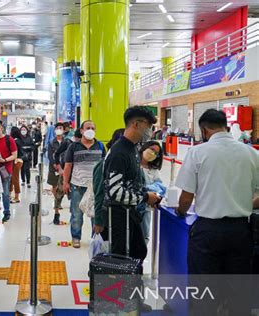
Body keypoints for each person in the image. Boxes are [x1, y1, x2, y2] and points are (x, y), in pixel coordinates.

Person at [176, 109, 259, 274]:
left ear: (204, 131)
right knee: (235, 287)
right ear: (226, 127)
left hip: (208, 231)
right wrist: (242, 204)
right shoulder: (252, 153)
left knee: (204, 287)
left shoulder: (197, 153)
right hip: (241, 231)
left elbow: (186, 198)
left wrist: (180, 211)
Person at [99, 106, 160, 261]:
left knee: (138, 251)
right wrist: (145, 197)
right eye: (148, 125)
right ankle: (124, 286)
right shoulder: (119, 152)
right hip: (119, 217)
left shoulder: (132, 149)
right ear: (135, 124)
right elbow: (115, 192)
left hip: (130, 213)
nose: (150, 130)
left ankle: (132, 284)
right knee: (122, 259)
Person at [63, 120, 106, 248]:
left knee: (96, 215)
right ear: (81, 130)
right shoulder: (74, 146)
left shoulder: (100, 146)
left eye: (93, 128)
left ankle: (95, 238)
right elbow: (68, 166)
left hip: (95, 188)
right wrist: (65, 182)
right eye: (88, 127)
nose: (90, 130)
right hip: (77, 186)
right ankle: (76, 237)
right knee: (76, 215)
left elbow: (104, 165)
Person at [137, 141, 165, 242]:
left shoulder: (153, 171)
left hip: (146, 207)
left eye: (156, 153)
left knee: (144, 235)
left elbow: (161, 188)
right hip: (133, 206)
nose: (152, 153)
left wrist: (146, 188)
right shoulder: (134, 165)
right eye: (151, 149)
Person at [47, 123, 66, 225]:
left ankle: (58, 203)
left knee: (62, 188)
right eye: (57, 128)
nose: (59, 129)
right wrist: (55, 164)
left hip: (65, 168)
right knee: (55, 186)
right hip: (53, 167)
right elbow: (50, 155)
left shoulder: (67, 141)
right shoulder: (51, 142)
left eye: (60, 128)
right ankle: (56, 207)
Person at [9, 126, 24, 204]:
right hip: (18, 160)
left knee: (15, 178)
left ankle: (17, 196)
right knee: (12, 178)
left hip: (16, 161)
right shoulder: (19, 140)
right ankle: (10, 194)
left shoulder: (15, 141)